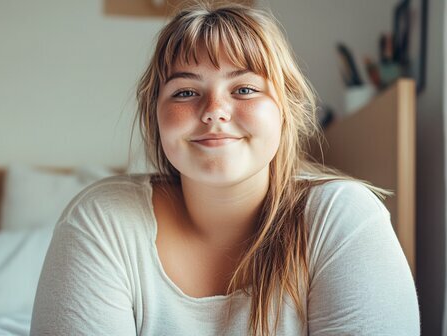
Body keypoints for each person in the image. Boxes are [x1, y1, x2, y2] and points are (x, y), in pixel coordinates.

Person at [30, 2, 420, 335]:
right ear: (156, 119)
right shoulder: (102, 221)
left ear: (284, 113)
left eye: (245, 89)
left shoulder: (344, 218)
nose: (214, 110)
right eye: (185, 92)